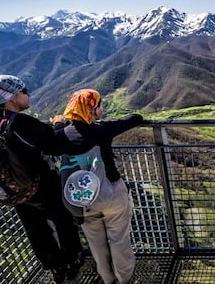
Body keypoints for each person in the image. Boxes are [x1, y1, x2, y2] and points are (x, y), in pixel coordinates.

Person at [0, 75, 85, 284]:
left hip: (10, 189)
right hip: (41, 186)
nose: (28, 95)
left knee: (35, 229)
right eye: (23, 91)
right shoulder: (23, 122)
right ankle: (72, 261)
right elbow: (54, 146)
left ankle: (54, 266)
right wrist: (59, 125)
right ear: (9, 96)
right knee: (64, 221)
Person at [51, 89, 143, 284]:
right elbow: (136, 117)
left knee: (96, 243)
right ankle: (124, 278)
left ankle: (107, 279)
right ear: (92, 110)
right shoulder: (102, 130)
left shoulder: (59, 135)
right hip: (111, 194)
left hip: (81, 200)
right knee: (119, 239)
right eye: (99, 105)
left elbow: (58, 133)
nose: (101, 109)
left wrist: (59, 123)